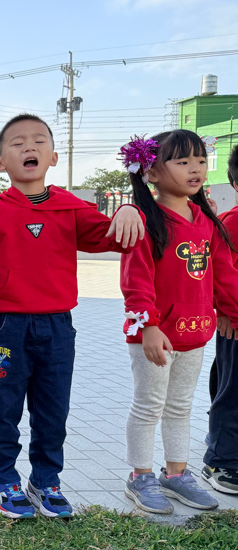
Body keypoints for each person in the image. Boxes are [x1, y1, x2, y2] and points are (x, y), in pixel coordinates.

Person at [0, 113, 145, 518]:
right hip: (5, 326)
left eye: (39, 141)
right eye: (17, 142)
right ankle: (3, 480)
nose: (29, 146)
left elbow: (116, 237)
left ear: (53, 157)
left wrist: (132, 210)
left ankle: (46, 481)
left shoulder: (71, 208)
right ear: (0, 163)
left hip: (57, 325)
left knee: (53, 411)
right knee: (4, 409)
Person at [118, 131, 238, 514]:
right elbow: (136, 280)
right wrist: (149, 326)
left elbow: (224, 276)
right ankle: (140, 477)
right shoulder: (144, 220)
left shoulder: (207, 220)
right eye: (183, 162)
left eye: (200, 160)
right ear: (151, 172)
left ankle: (176, 474)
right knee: (148, 406)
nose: (195, 169)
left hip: (195, 334)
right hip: (154, 336)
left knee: (181, 407)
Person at [203, 143, 238, 495]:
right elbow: (217, 273)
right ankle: (221, 461)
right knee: (232, 394)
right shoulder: (231, 223)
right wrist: (227, 310)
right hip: (236, 325)